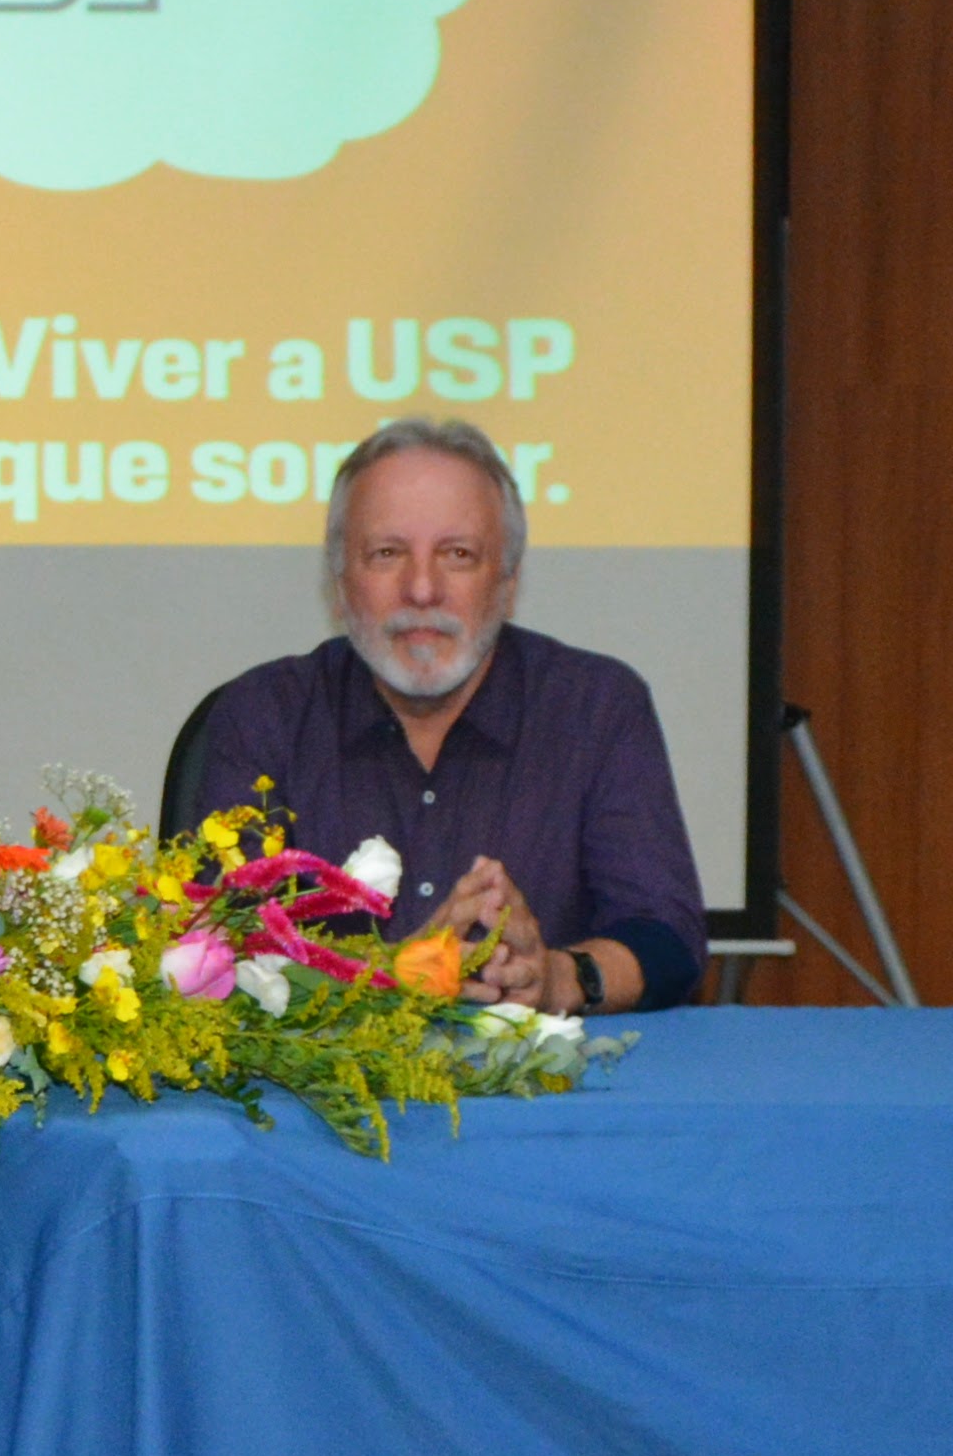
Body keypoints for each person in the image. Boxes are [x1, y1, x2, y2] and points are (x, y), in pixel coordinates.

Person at [161, 417, 701, 1015]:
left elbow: (666, 939)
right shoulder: (265, 714)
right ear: (340, 584)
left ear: (507, 581)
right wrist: (397, 971)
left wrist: (555, 978)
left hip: (545, 1098)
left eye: (458, 555)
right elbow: (216, 952)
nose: (422, 588)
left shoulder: (596, 707)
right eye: (387, 553)